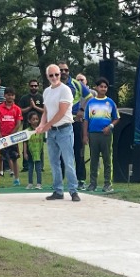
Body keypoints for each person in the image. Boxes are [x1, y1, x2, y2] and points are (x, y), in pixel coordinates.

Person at [36, 64, 80, 202]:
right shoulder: (47, 91)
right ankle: (58, 190)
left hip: (64, 129)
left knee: (68, 161)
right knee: (54, 162)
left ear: (60, 75)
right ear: (47, 76)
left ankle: (73, 191)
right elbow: (46, 111)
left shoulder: (65, 90)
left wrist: (47, 125)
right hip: (52, 132)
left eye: (57, 74)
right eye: (51, 75)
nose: (54, 77)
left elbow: (62, 112)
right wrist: (41, 125)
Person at [58, 61, 93, 190]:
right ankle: (59, 181)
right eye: (61, 70)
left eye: (66, 70)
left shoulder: (76, 84)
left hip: (75, 122)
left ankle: (81, 180)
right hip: (60, 123)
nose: (63, 73)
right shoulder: (54, 85)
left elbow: (89, 97)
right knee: (60, 152)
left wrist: (82, 110)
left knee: (78, 152)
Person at [83, 77, 120, 192]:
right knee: (94, 160)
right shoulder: (91, 102)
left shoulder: (110, 102)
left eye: (105, 87)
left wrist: (110, 127)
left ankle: (107, 184)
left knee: (107, 159)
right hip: (93, 134)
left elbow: (117, 117)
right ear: (96, 88)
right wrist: (85, 135)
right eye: (101, 86)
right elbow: (86, 119)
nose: (103, 89)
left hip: (106, 135)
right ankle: (92, 184)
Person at [0, 86, 22, 186]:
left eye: (12, 95)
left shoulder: (17, 109)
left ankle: (16, 179)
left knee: (14, 158)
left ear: (14, 96)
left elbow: (18, 124)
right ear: (4, 95)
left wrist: (11, 135)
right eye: (8, 95)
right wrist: (0, 135)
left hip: (12, 138)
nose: (10, 97)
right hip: (2, 137)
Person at [18, 79, 44, 172]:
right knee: (26, 143)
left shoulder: (41, 97)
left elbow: (45, 110)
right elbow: (20, 110)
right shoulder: (24, 98)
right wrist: (30, 107)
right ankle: (26, 166)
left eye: (35, 86)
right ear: (29, 86)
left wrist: (35, 107)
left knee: (39, 144)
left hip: (39, 125)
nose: (34, 87)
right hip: (26, 124)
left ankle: (40, 166)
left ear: (38, 86)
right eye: (32, 86)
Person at [23, 111, 44, 189]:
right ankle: (30, 183)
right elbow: (25, 142)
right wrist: (25, 153)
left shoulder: (41, 130)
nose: (35, 121)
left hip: (39, 152)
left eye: (37, 119)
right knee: (30, 168)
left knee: (38, 168)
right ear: (29, 121)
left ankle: (39, 184)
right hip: (30, 152)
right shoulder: (27, 131)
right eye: (33, 119)